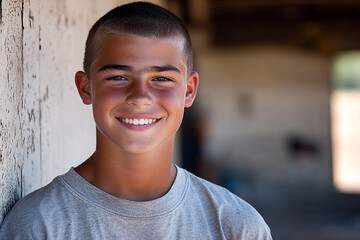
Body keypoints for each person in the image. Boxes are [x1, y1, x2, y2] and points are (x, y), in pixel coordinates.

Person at [0, 2, 272, 239]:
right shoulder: (37, 226)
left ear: (189, 90)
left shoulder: (236, 227)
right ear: (86, 88)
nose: (140, 97)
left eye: (162, 79)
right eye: (118, 77)